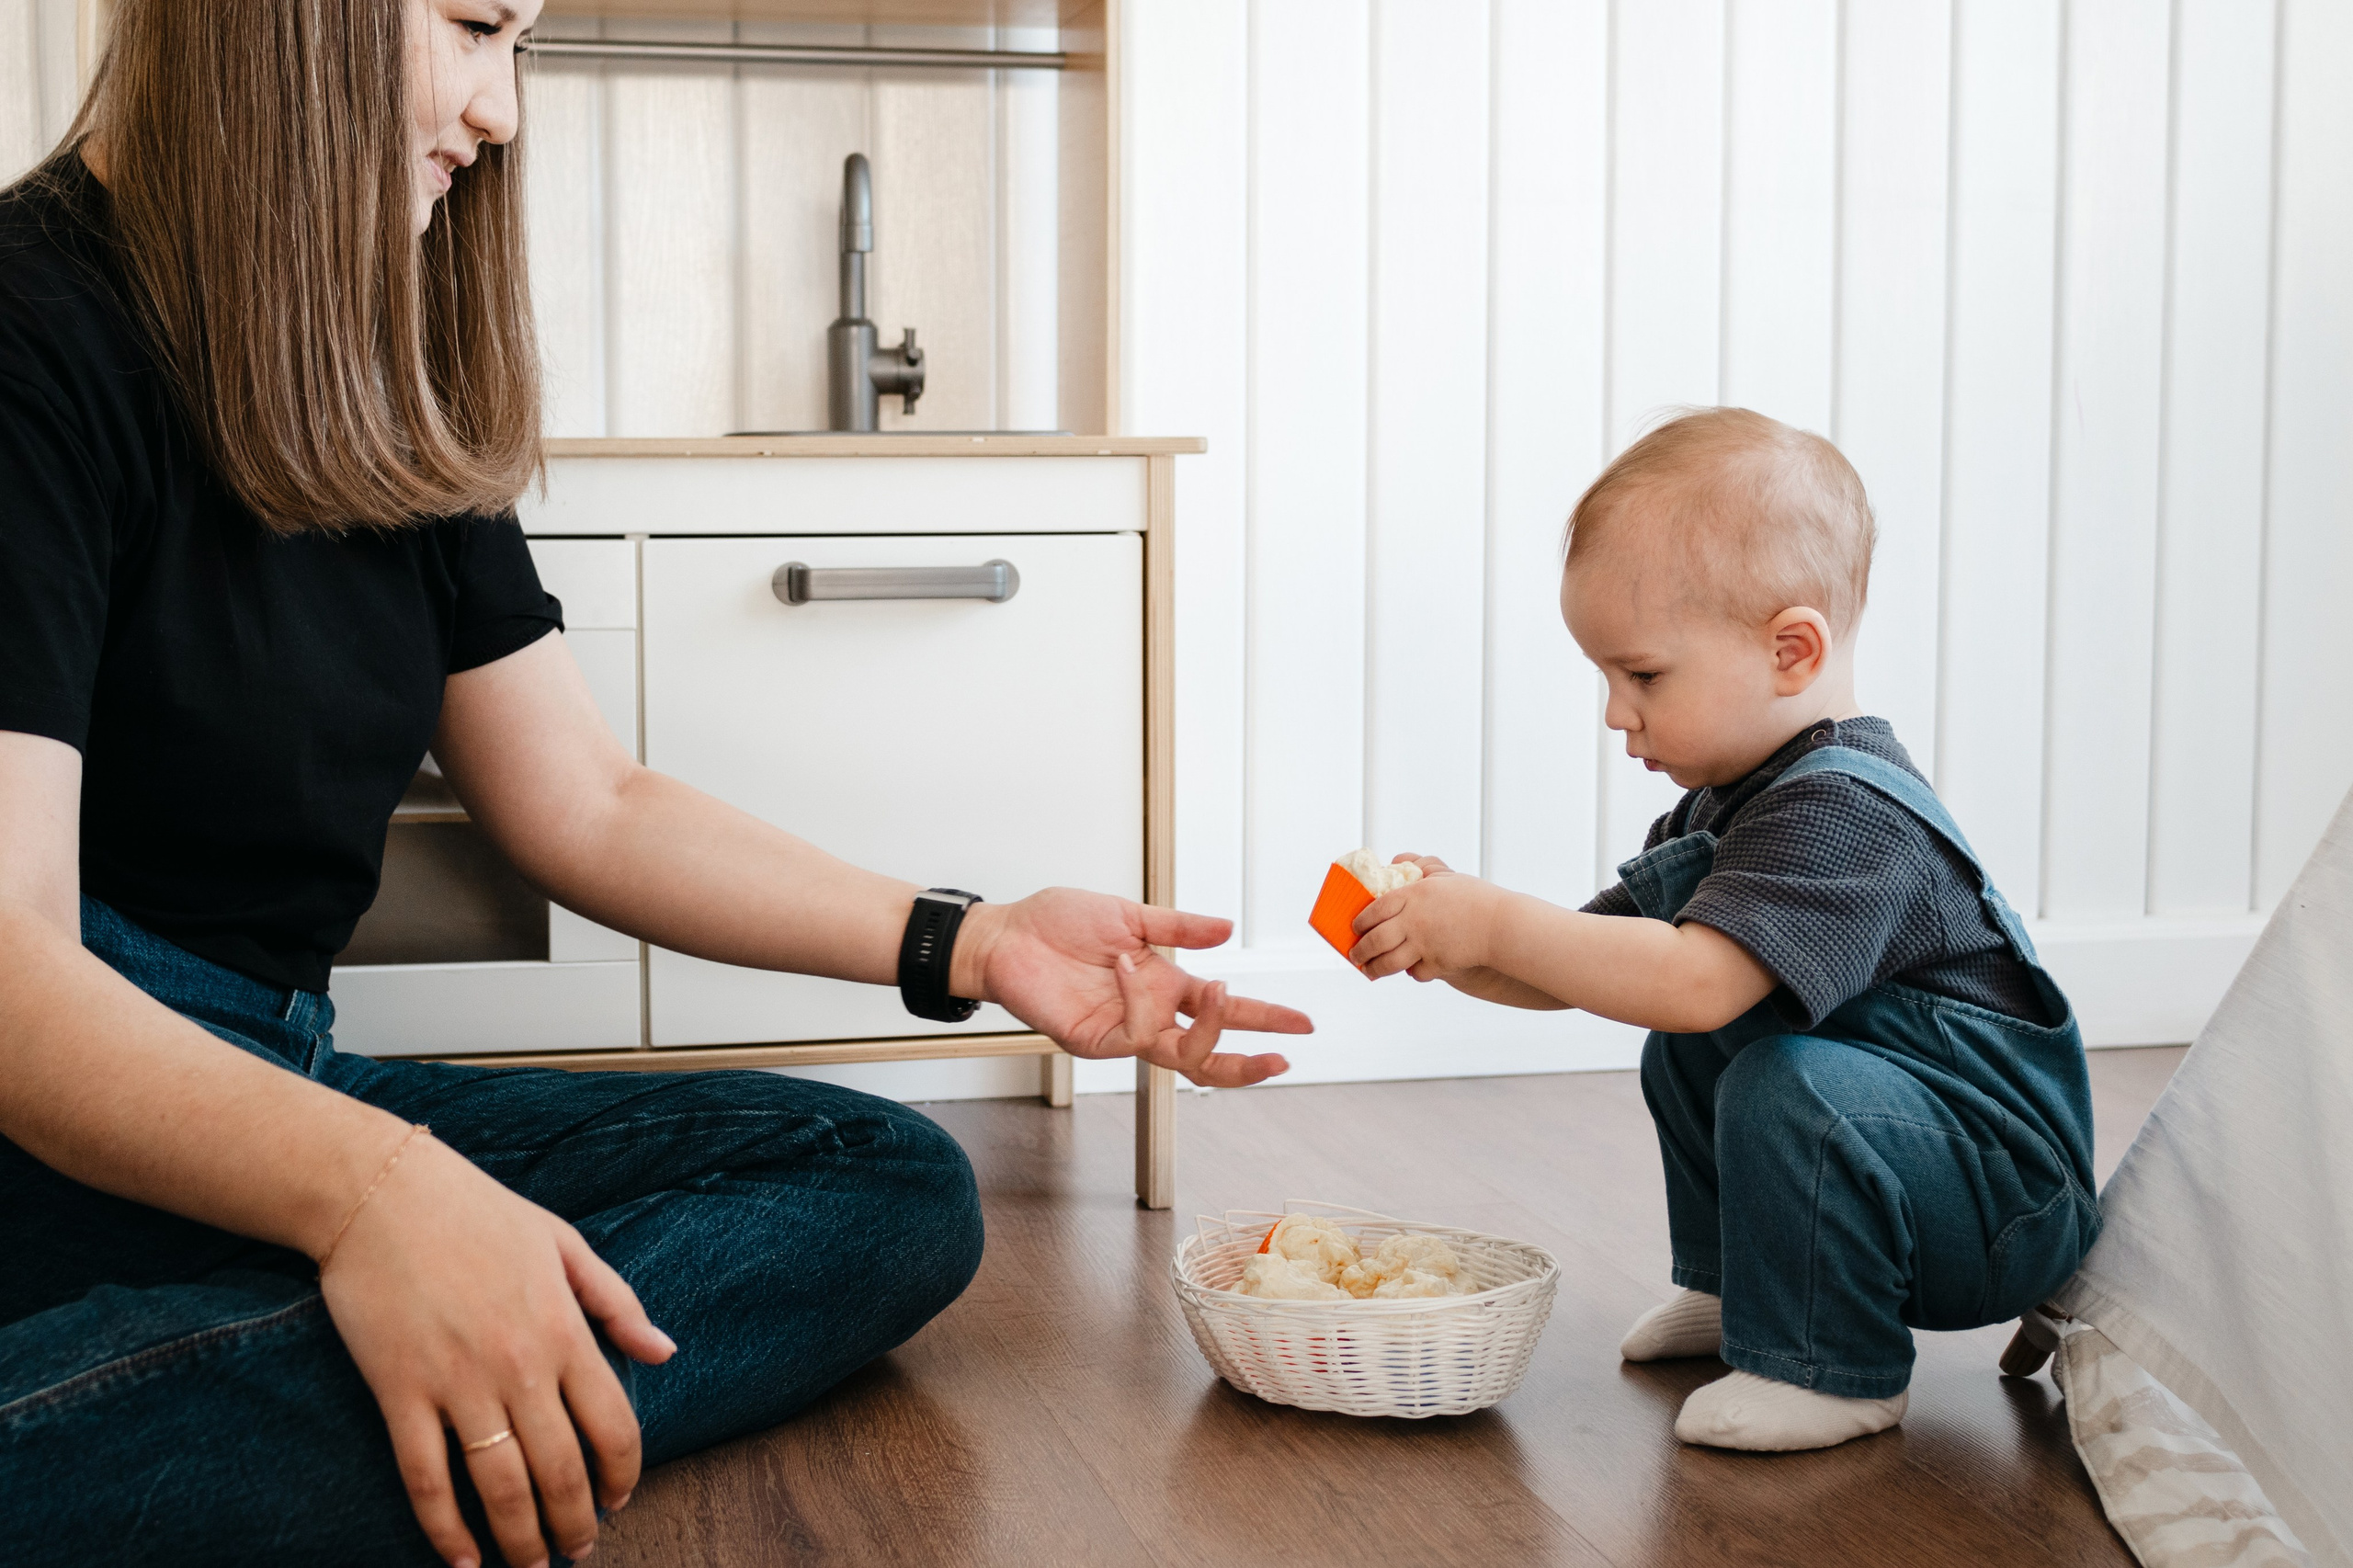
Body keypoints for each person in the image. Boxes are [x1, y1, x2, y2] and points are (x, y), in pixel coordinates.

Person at [0, 4, 1310, 1565]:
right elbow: (17, 974)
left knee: (884, 1182)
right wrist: (376, 1199)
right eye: (479, 25)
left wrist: (974, 942)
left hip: (279, 1078)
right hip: (67, 1112)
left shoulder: (370, 357)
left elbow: (590, 802)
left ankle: (176, 1377)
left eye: (525, 48)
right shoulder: (28, 328)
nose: (498, 111)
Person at [1349, 406, 2100, 1452]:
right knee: (1696, 1049)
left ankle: (1835, 1366)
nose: (1617, 713)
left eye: (1643, 675)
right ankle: (1745, 1288)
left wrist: (1491, 919)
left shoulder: (1847, 813)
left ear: (1790, 650)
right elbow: (1594, 963)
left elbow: (1690, 979)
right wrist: (1458, 948)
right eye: (1606, 679)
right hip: (1904, 1154)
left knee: (1769, 1068)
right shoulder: (1726, 803)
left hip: (1996, 1201)